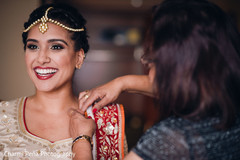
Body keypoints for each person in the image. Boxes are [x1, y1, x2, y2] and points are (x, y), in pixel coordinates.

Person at [73, 0, 240, 159]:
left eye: (153, 60)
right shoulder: (231, 105)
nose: (146, 65)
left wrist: (81, 139)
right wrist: (122, 83)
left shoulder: (172, 140)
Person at [0, 4, 127, 160]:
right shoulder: (2, 115)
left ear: (78, 58)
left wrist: (124, 82)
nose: (41, 58)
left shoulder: (106, 121)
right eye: (33, 46)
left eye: (55, 47)